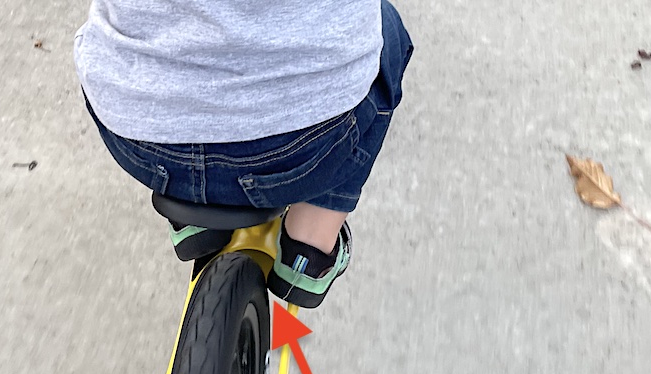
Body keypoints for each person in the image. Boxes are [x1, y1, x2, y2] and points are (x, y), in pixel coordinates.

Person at [74, 0, 413, 308]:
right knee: (387, 32)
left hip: (139, 134)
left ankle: (193, 216)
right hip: (301, 144)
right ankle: (308, 251)